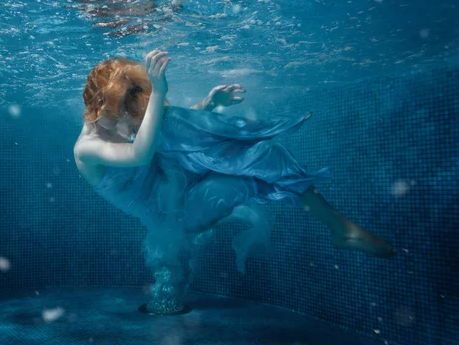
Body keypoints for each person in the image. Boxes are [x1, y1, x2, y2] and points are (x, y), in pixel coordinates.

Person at [73, 50, 396, 314]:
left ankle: (340, 228)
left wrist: (208, 106)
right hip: (177, 217)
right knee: (250, 168)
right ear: (103, 103)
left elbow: (156, 131)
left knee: (268, 152)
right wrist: (159, 92)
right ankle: (340, 229)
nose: (134, 118)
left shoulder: (122, 121)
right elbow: (141, 153)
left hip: (182, 179)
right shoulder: (86, 149)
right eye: (129, 108)